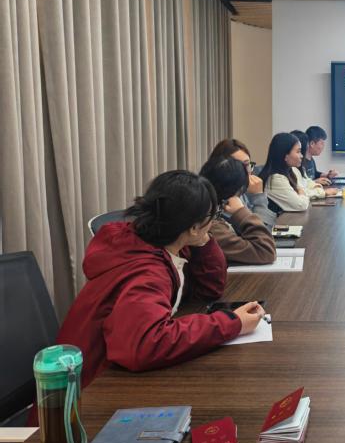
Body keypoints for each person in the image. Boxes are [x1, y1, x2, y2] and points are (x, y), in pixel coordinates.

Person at [54, 170, 265, 390]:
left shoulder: (160, 241)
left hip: (103, 373)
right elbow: (144, 345)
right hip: (87, 391)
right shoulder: (148, 272)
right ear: (193, 227)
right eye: (214, 216)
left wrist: (202, 241)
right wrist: (231, 323)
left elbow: (208, 290)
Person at [199, 156, 277, 264]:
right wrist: (242, 212)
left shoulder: (209, 212)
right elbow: (265, 251)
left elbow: (267, 229)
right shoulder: (211, 225)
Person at [208, 138, 276, 228]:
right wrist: (258, 196)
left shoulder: (243, 190)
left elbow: (270, 225)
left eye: (247, 164)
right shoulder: (224, 200)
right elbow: (261, 230)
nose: (246, 171)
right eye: (239, 166)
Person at [260, 132, 335, 211]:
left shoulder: (290, 171)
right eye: (298, 152)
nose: (302, 156)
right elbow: (301, 205)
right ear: (285, 156)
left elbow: (305, 187)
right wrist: (301, 191)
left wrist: (301, 192)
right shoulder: (276, 178)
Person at [291, 130, 334, 198]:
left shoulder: (307, 162)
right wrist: (322, 191)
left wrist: (326, 176)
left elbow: (308, 179)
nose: (301, 156)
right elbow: (302, 190)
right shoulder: (296, 166)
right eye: (322, 143)